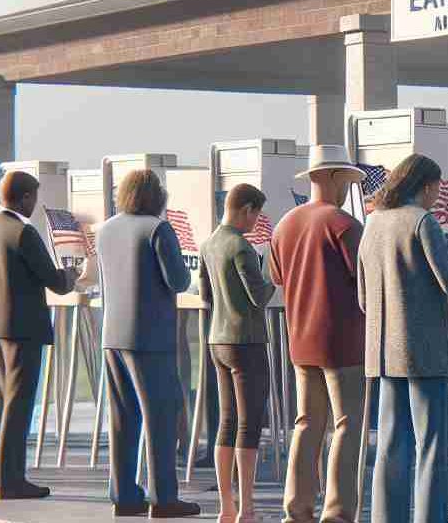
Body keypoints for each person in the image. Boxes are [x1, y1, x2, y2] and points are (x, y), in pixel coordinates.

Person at [358, 154, 448, 523]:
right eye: (437, 188)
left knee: (389, 445)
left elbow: (362, 296)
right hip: (426, 353)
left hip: (383, 353)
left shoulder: (371, 224)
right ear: (426, 185)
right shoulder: (423, 221)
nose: (438, 195)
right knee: (433, 446)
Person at [95, 169, 200, 518]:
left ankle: (124, 495)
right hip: (150, 337)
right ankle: (164, 497)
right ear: (156, 196)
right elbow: (179, 280)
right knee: (161, 417)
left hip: (113, 335)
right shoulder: (158, 228)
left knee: (123, 419)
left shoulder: (107, 229)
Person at [271, 145, 368, 523]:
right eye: (345, 177)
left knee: (307, 422)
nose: (347, 185)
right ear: (330, 177)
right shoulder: (344, 225)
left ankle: (297, 509)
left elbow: (278, 278)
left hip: (300, 341)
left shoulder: (284, 225)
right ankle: (338, 512)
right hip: (342, 342)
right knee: (347, 424)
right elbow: (365, 282)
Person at [0, 171, 78, 499]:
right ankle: (10, 481)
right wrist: (73, 274)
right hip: (23, 329)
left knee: (8, 402)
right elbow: (54, 280)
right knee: (18, 406)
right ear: (24, 198)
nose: (35, 204)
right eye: (33, 197)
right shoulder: (24, 233)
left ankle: (7, 477)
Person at [199, 183, 277, 523]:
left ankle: (225, 507)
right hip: (246, 341)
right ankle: (247, 507)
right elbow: (259, 297)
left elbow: (205, 296)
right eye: (256, 214)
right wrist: (274, 275)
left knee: (227, 422)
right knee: (249, 424)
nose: (256, 222)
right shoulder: (241, 247)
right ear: (245, 209)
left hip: (217, 340)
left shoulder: (209, 244)